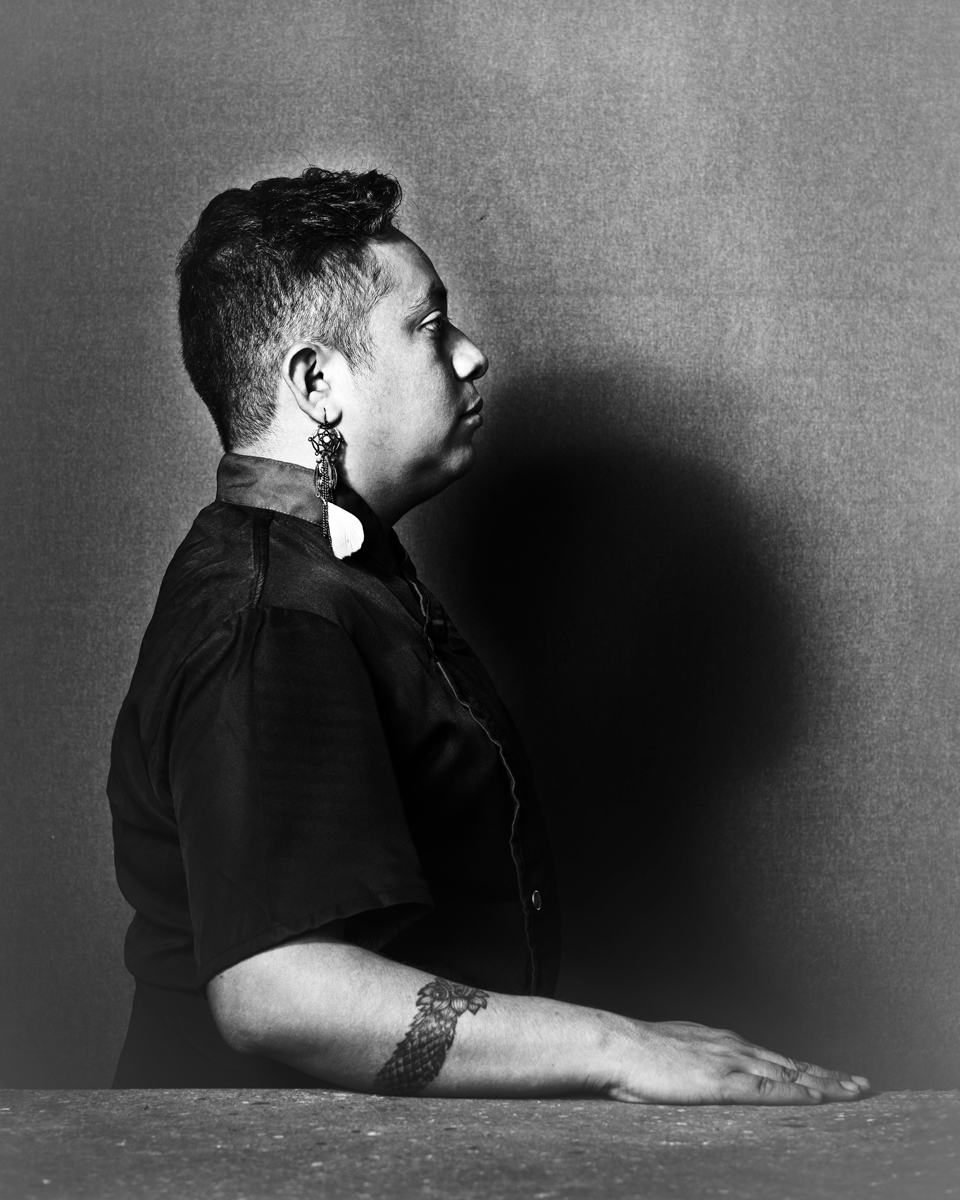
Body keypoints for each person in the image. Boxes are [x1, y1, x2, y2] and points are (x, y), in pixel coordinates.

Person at [108, 166, 867, 1103]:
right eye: (430, 327)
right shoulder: (278, 615)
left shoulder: (338, 574)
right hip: (252, 1164)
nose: (472, 356)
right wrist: (617, 1047)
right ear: (317, 382)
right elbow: (279, 992)